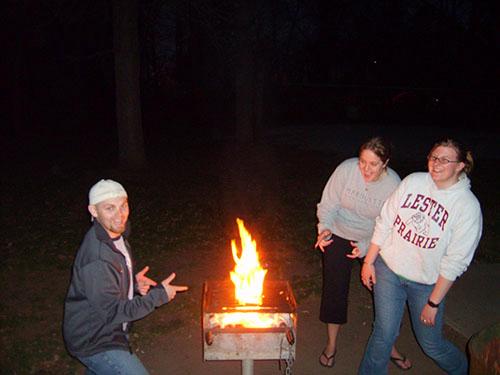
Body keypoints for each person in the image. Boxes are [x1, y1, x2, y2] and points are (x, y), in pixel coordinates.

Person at [358, 138, 483, 374]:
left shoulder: (467, 206)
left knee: (431, 344)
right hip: (388, 271)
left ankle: (471, 370)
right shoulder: (413, 182)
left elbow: (456, 261)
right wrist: (369, 261)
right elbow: (386, 221)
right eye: (433, 157)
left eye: (445, 160)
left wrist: (433, 303)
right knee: (383, 334)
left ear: (459, 166)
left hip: (426, 285)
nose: (436, 164)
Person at [63, 179, 188, 375]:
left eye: (123, 206)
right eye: (109, 208)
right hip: (94, 340)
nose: (120, 215)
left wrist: (133, 285)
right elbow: (112, 312)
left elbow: (109, 282)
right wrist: (158, 296)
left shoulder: (115, 235)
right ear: (93, 211)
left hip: (106, 331)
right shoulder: (97, 258)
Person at [315, 137, 411, 370]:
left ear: (385, 162)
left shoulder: (394, 184)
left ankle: (388, 345)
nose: (365, 169)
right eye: (362, 162)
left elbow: (393, 224)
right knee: (334, 289)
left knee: (385, 292)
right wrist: (324, 228)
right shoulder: (346, 170)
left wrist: (368, 245)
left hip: (376, 240)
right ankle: (331, 344)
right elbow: (327, 205)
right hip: (338, 232)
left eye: (373, 164)